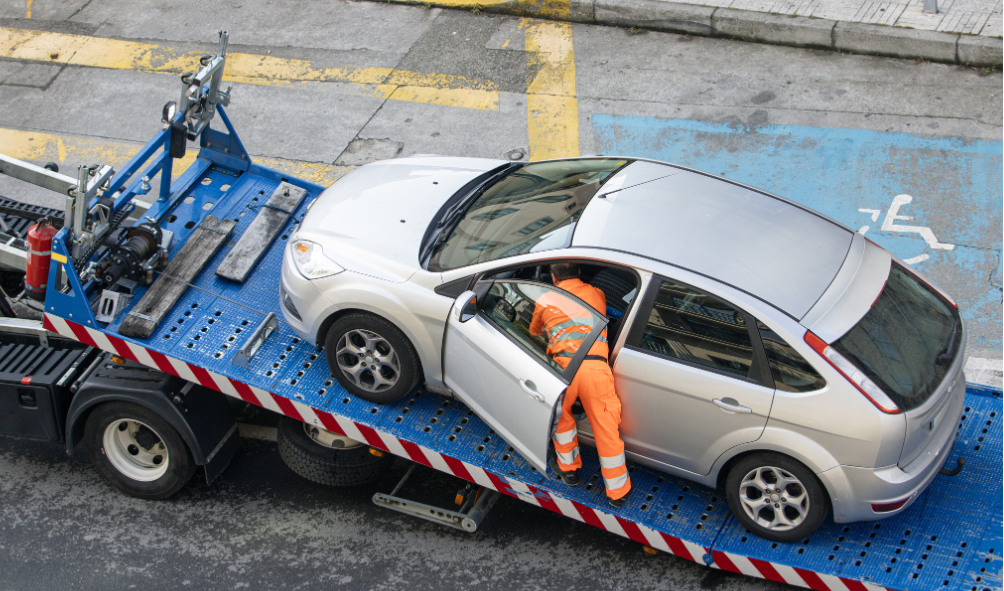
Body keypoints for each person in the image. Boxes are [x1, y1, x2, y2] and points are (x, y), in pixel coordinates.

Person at [529, 263, 632, 508]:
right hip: (595, 369)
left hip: (563, 370)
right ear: (578, 273)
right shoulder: (597, 293)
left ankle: (569, 470)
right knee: (606, 428)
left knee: (561, 420)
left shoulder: (545, 299)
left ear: (554, 278)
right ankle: (618, 493)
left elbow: (534, 331)